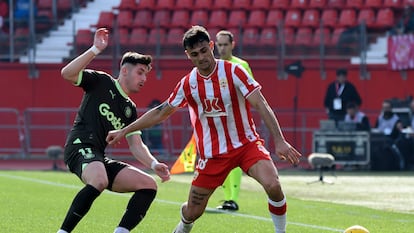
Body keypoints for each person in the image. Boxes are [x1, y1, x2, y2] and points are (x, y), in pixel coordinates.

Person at [106, 25, 301, 233]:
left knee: (273, 185)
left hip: (246, 145)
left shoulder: (234, 71)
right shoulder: (188, 83)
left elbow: (261, 103)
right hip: (211, 155)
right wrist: (124, 130)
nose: (201, 58)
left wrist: (279, 140)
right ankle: (184, 225)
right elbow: (160, 112)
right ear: (188, 55)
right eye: (194, 54)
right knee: (193, 211)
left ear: (211, 46)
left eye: (204, 51)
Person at [57, 28, 170, 233]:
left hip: (98, 157)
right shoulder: (102, 81)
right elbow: (67, 73)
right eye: (140, 72)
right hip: (79, 147)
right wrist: (95, 49)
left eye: (146, 74)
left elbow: (136, 145)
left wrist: (154, 164)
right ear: (124, 70)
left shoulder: (130, 109)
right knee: (99, 179)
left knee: (148, 185)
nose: (144, 78)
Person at [214, 29, 254, 211]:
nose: (221, 48)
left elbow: (251, 92)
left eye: (225, 45)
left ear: (232, 45)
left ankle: (233, 198)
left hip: (236, 120)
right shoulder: (213, 66)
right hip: (217, 120)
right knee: (221, 157)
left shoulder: (241, 65)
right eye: (219, 45)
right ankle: (228, 197)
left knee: (235, 158)